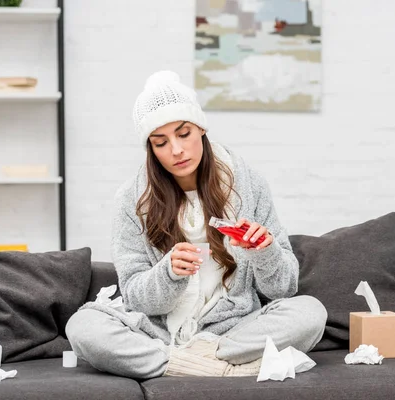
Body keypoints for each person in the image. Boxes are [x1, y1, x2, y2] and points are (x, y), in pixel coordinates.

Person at [65, 71, 327, 379]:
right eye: (161, 142)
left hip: (231, 331)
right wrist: (168, 272)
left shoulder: (249, 185)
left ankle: (178, 365)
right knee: (82, 326)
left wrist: (265, 252)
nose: (176, 150)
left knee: (310, 313)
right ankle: (218, 369)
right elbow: (136, 297)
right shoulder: (132, 200)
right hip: (159, 334)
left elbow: (284, 288)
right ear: (151, 148)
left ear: (201, 128)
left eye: (184, 133)